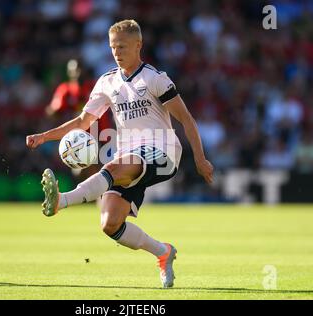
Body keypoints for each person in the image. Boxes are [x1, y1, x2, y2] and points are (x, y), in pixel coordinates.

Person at [26, 20, 213, 288]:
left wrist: (200, 158)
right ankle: (163, 252)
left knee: (114, 168)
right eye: (113, 47)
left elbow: (186, 119)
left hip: (163, 152)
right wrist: (44, 136)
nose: (117, 52)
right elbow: (82, 122)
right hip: (130, 155)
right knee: (110, 223)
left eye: (122, 46)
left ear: (139, 45)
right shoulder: (106, 82)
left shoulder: (154, 79)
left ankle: (61, 202)